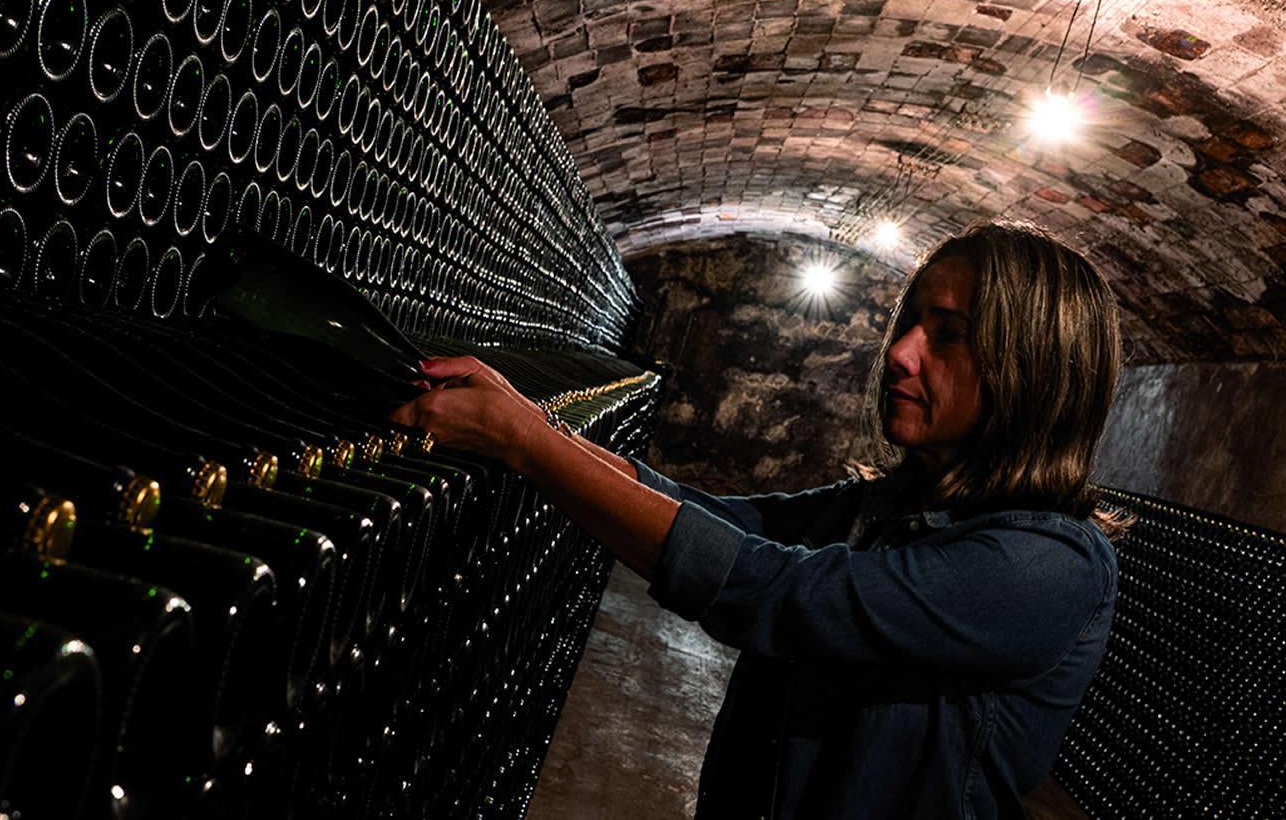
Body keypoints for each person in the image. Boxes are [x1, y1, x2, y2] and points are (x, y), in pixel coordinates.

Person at [389, 219, 1129, 819]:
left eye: (949, 334)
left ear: (1031, 369)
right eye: (908, 322)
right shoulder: (896, 507)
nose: (900, 354)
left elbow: (782, 595)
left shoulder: (1048, 566)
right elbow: (710, 517)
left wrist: (530, 447)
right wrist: (531, 422)